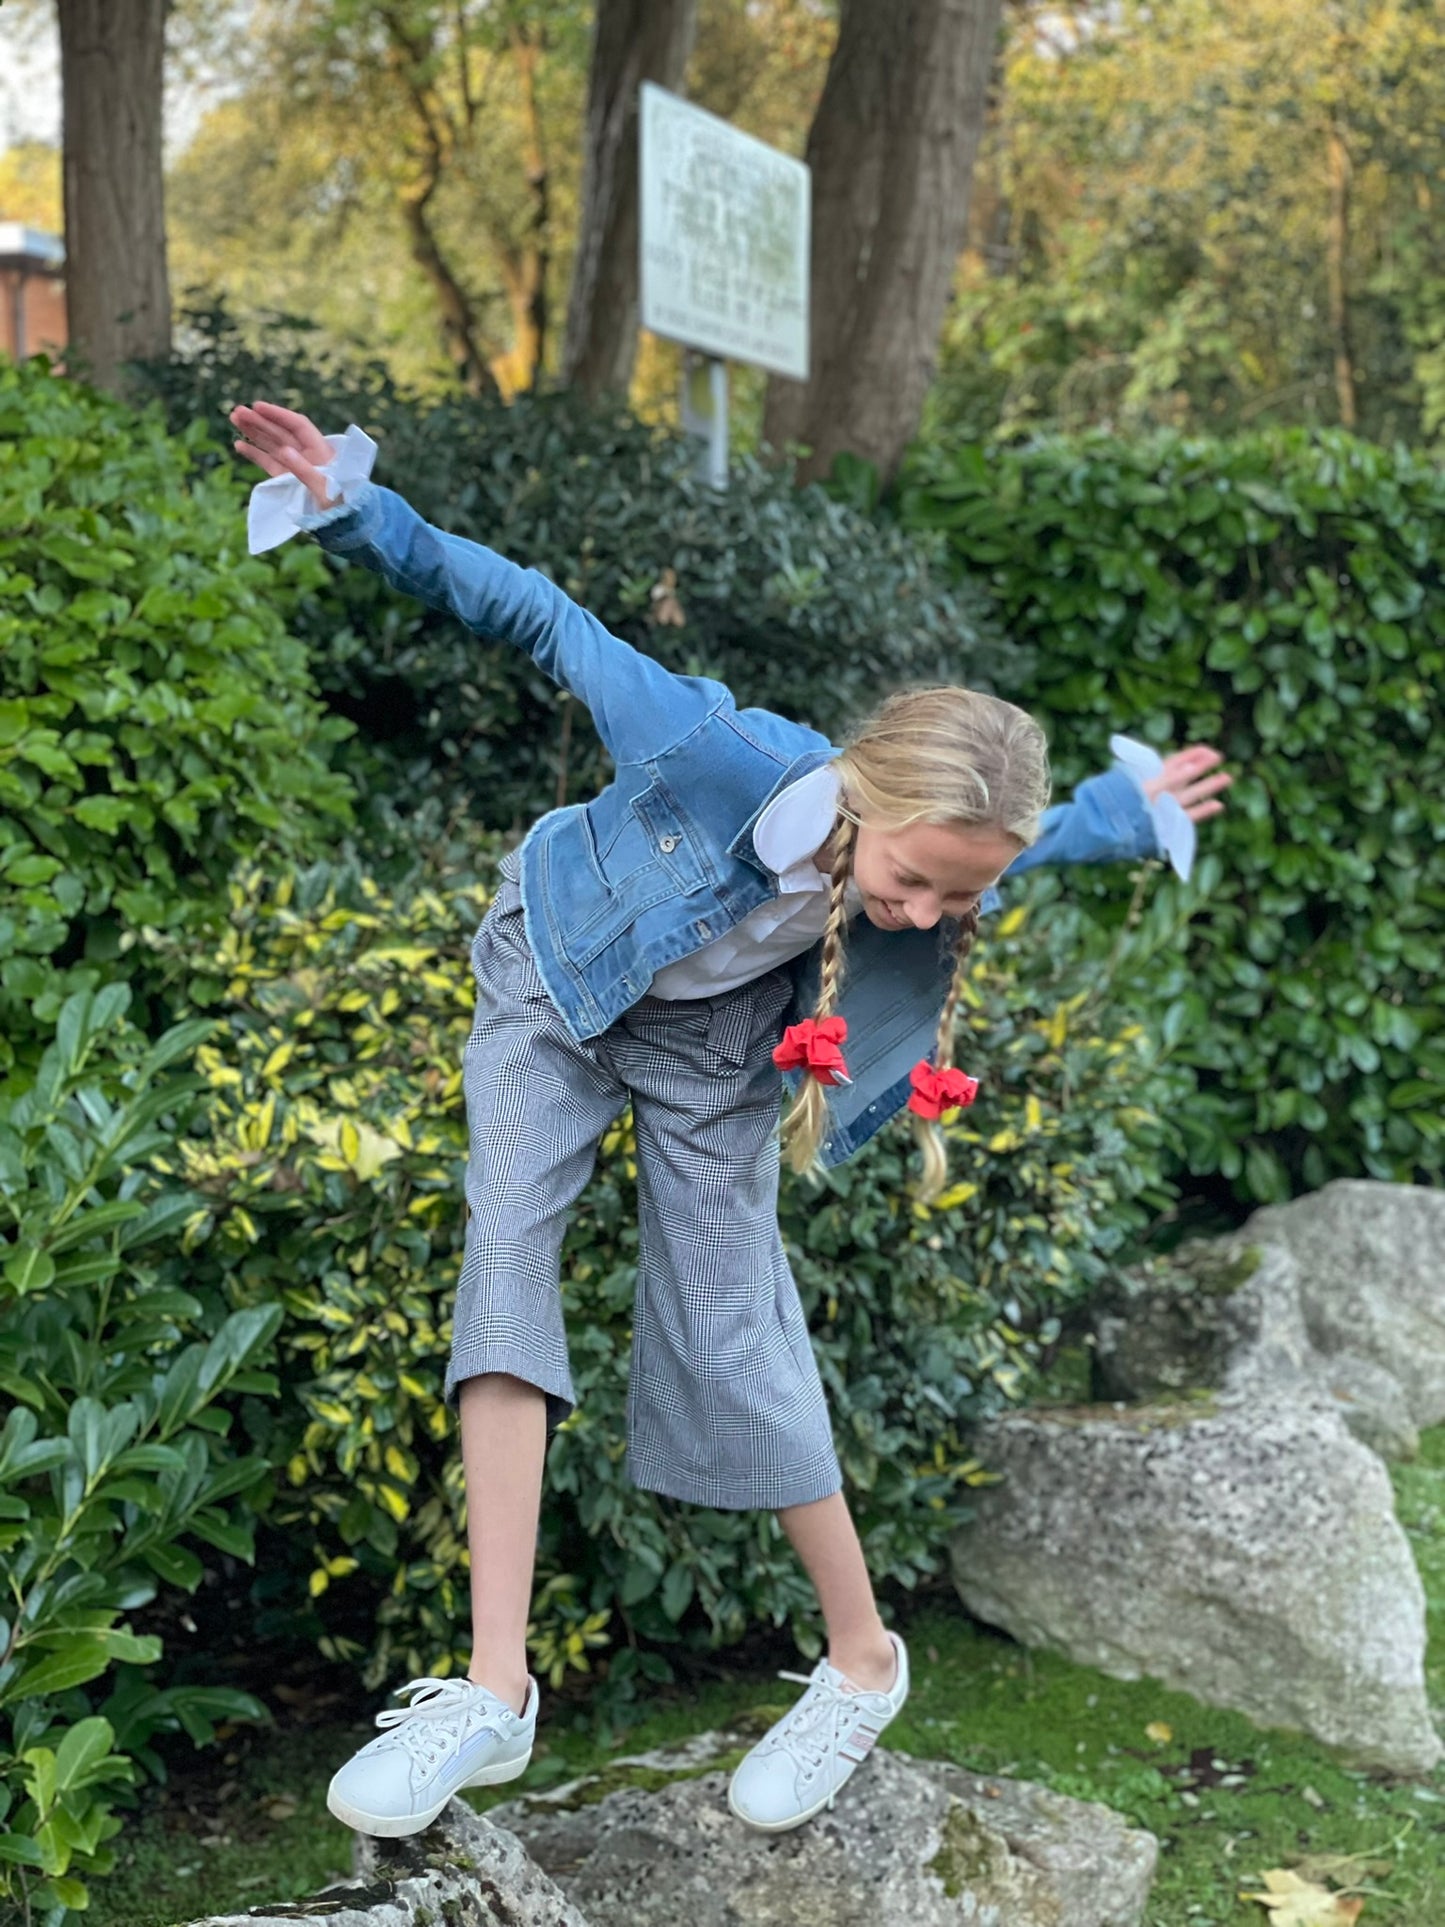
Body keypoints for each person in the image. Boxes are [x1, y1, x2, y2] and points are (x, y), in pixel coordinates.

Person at [231, 402, 1231, 1841]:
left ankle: (859, 1662)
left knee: (731, 1316)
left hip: (714, 1051)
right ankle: (493, 1693)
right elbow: (538, 614)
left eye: (957, 899)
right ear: (862, 794)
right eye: (914, 881)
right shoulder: (709, 745)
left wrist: (1119, 808)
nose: (928, 915)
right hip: (561, 975)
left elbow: (1037, 840)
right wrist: (357, 511)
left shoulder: (944, 856)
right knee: (505, 1254)